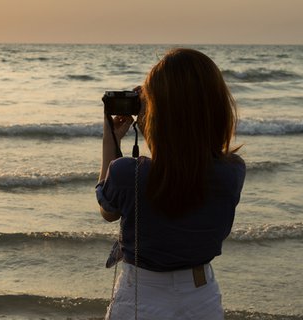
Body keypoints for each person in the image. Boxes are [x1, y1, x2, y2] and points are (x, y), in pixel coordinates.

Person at [95, 48, 246, 320]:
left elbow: (108, 210)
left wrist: (112, 140)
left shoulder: (129, 174)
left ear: (158, 115)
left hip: (140, 296)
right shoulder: (232, 171)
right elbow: (181, 166)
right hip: (202, 298)